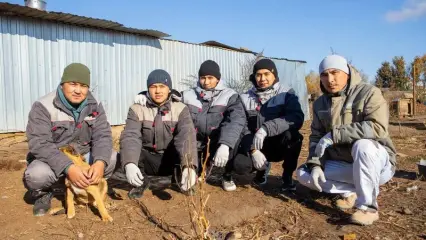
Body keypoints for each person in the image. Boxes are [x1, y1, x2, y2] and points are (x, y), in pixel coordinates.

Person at [297, 55, 397, 226]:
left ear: (347, 73)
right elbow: (315, 136)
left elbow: (378, 127)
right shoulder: (320, 103)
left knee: (363, 145)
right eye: (325, 75)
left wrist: (335, 134)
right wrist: (315, 163)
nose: (330, 79)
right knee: (303, 174)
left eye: (335, 73)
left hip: (376, 163)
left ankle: (368, 208)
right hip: (344, 164)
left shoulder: (368, 92)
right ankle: (351, 191)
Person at [134, 60, 246, 192]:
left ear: (218, 79)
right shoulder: (187, 95)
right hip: (195, 144)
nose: (206, 82)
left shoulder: (230, 96)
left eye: (210, 78)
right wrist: (144, 95)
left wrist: (225, 144)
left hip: (217, 142)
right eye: (203, 78)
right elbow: (165, 97)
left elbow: (236, 120)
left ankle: (226, 176)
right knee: (186, 166)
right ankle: (196, 171)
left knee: (234, 139)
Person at [24, 63, 116, 216]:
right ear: (62, 84)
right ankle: (47, 192)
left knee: (111, 158)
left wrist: (99, 162)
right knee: (36, 175)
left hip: (83, 157)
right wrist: (68, 167)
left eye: (83, 86)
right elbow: (39, 143)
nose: (78, 90)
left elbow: (103, 135)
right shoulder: (43, 106)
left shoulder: (94, 105)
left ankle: (91, 188)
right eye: (73, 84)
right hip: (54, 159)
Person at [120, 69, 198, 198]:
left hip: (169, 159)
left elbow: (186, 136)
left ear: (169, 89)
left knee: (185, 152)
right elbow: (131, 135)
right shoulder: (137, 108)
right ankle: (140, 182)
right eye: (153, 87)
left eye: (162, 86)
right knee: (132, 152)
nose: (158, 91)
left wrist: (189, 165)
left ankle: (182, 180)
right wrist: (129, 163)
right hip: (148, 159)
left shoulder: (180, 109)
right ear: (148, 89)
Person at [237, 58, 305, 192]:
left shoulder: (286, 94)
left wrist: (266, 128)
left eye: (266, 74)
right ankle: (261, 171)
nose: (262, 78)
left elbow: (296, 117)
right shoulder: (245, 98)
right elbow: (242, 126)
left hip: (279, 143)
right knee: (240, 164)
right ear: (254, 76)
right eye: (258, 74)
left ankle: (287, 177)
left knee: (294, 137)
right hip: (257, 144)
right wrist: (253, 150)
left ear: (274, 75)